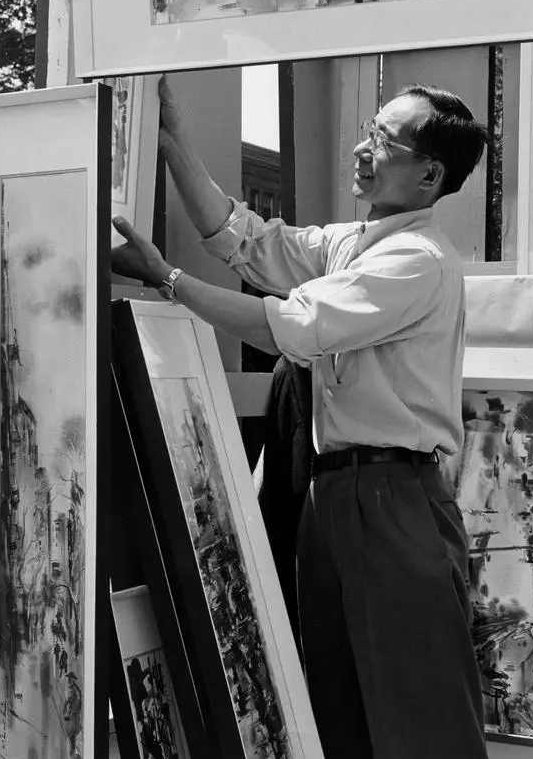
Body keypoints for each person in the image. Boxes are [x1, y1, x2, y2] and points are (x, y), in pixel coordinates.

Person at [112, 77, 489, 759]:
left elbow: (288, 325)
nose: (361, 148)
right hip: (335, 493)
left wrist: (166, 279)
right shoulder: (359, 244)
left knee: (417, 713)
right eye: (369, 129)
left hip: (392, 497)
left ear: (429, 174)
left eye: (382, 140)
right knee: (338, 707)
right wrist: (171, 143)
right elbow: (246, 242)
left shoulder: (415, 260)